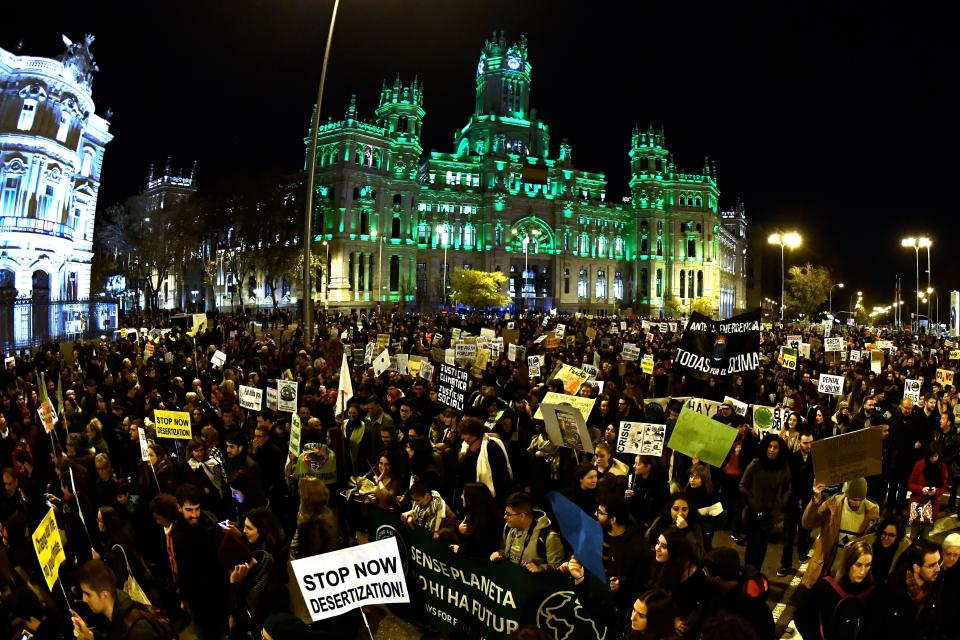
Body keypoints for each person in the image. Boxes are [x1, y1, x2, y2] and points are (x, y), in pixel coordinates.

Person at [801, 477, 879, 590]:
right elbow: (807, 523)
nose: (857, 503)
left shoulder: (872, 511)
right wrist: (816, 500)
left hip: (850, 571)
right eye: (853, 499)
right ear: (846, 494)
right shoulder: (833, 504)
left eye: (860, 499)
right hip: (827, 566)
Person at [795, 540, 876, 640]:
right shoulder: (826, 587)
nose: (863, 571)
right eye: (858, 565)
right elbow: (801, 616)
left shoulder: (871, 592)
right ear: (849, 563)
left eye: (867, 565)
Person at [865, 539, 943, 639]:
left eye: (938, 562)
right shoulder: (889, 590)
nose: (938, 569)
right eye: (931, 565)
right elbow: (875, 629)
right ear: (916, 568)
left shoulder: (937, 585)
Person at [70, 559, 164, 640]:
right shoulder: (114, 616)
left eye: (88, 594)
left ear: (104, 594)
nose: (84, 599)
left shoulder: (138, 630)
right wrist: (89, 634)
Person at [739, 433, 790, 571]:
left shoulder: (783, 467)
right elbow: (742, 485)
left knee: (762, 547)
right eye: (770, 446)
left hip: (771, 514)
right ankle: (748, 576)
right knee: (752, 546)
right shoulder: (755, 464)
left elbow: (788, 489)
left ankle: (757, 575)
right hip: (754, 514)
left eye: (775, 447)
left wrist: (781, 503)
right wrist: (753, 503)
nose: (772, 449)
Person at [596, 495, 654, 619]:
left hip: (617, 604)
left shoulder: (636, 547)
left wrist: (621, 585)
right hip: (597, 591)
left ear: (612, 519)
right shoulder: (598, 531)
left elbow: (641, 582)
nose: (596, 514)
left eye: (600, 513)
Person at [701, 547, 775, 640]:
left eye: (706, 571)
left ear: (718, 578)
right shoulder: (737, 580)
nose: (704, 573)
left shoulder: (746, 602)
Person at [490, 491, 564, 572]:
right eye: (505, 513)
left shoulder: (548, 537)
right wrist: (500, 554)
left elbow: (558, 568)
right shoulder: (508, 529)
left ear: (522, 516)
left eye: (508, 514)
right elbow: (505, 550)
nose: (505, 517)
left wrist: (540, 568)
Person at [779, 430, 814, 577]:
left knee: (805, 531)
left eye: (811, 442)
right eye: (805, 443)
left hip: (808, 501)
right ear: (799, 443)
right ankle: (785, 564)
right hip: (793, 502)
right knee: (788, 536)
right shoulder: (791, 459)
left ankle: (802, 553)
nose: (808, 446)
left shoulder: (816, 458)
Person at [447, 482, 501, 559]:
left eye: (464, 495)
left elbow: (480, 551)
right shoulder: (470, 513)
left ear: (472, 498)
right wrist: (459, 531)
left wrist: (461, 546)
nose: (461, 496)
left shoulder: (491, 521)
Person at [906, 442, 948, 540]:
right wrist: (921, 489)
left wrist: (936, 491)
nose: (933, 459)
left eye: (936, 456)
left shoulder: (942, 467)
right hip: (918, 503)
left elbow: (943, 486)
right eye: (931, 456)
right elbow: (910, 484)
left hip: (932, 504)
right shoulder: (919, 464)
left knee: (925, 537)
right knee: (913, 536)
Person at [854, 517, 910, 583]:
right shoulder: (872, 543)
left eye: (891, 535)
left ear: (898, 536)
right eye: (884, 533)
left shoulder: (901, 550)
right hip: (866, 584)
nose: (886, 538)